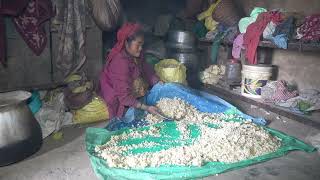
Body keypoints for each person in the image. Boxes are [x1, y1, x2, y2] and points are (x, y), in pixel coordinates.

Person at [100, 22, 161, 119]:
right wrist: (146, 107)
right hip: (118, 99)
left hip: (129, 92)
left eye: (142, 45)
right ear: (126, 43)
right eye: (138, 44)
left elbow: (147, 70)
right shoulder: (120, 62)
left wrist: (158, 83)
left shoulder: (136, 55)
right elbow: (124, 96)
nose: (141, 48)